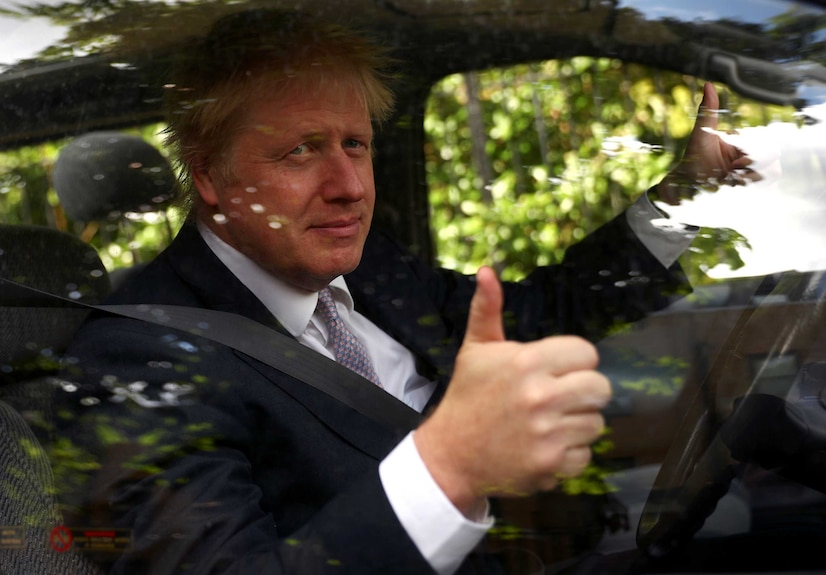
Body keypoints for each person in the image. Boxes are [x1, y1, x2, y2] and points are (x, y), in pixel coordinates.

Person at [51, 10, 751, 575]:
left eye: (354, 145)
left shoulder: (364, 265)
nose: (349, 186)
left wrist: (682, 196)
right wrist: (450, 463)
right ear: (209, 175)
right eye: (301, 150)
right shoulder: (130, 361)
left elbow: (539, 315)